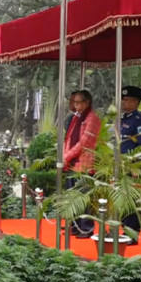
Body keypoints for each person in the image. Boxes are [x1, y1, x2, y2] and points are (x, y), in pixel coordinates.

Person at [63, 89, 101, 239]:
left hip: (84, 163)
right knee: (72, 196)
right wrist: (65, 157)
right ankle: (76, 225)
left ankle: (86, 228)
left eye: (78, 102)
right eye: (74, 102)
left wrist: (67, 156)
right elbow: (69, 138)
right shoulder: (76, 117)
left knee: (83, 198)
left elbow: (84, 143)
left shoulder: (92, 118)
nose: (75, 105)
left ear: (87, 102)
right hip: (72, 163)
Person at [119, 85, 141, 244]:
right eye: (123, 99)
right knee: (123, 200)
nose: (124, 102)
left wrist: (136, 166)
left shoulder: (139, 121)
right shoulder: (123, 118)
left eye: (127, 100)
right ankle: (124, 230)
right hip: (120, 165)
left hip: (131, 166)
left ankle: (132, 234)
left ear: (136, 102)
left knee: (131, 201)